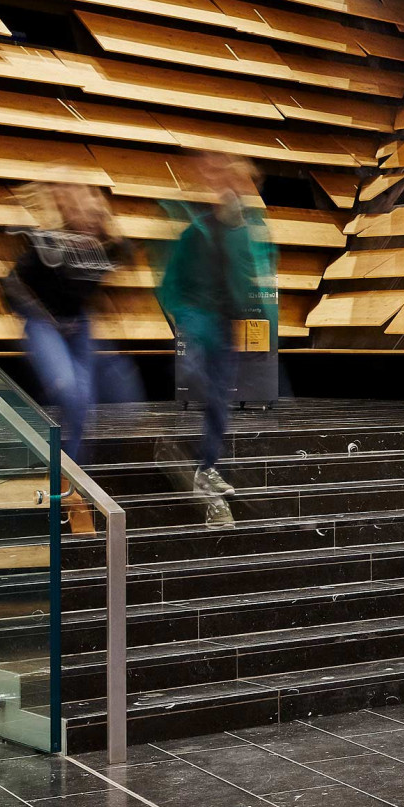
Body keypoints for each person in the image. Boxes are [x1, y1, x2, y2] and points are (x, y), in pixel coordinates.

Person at [156, 153, 276, 527]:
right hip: (198, 317)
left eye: (242, 187)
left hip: (224, 324)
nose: (236, 193)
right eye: (231, 185)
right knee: (200, 378)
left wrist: (256, 318)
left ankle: (207, 467)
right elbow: (172, 281)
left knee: (219, 402)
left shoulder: (244, 231)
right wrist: (184, 315)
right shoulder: (197, 232)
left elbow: (247, 275)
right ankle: (189, 457)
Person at [4, 183, 125, 463]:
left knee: (84, 399)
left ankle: (75, 476)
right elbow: (11, 286)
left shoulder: (104, 249)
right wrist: (43, 317)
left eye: (98, 219)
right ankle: (63, 473)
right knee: (68, 389)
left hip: (76, 323)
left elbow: (121, 250)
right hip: (42, 322)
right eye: (86, 217)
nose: (92, 223)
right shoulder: (49, 244)